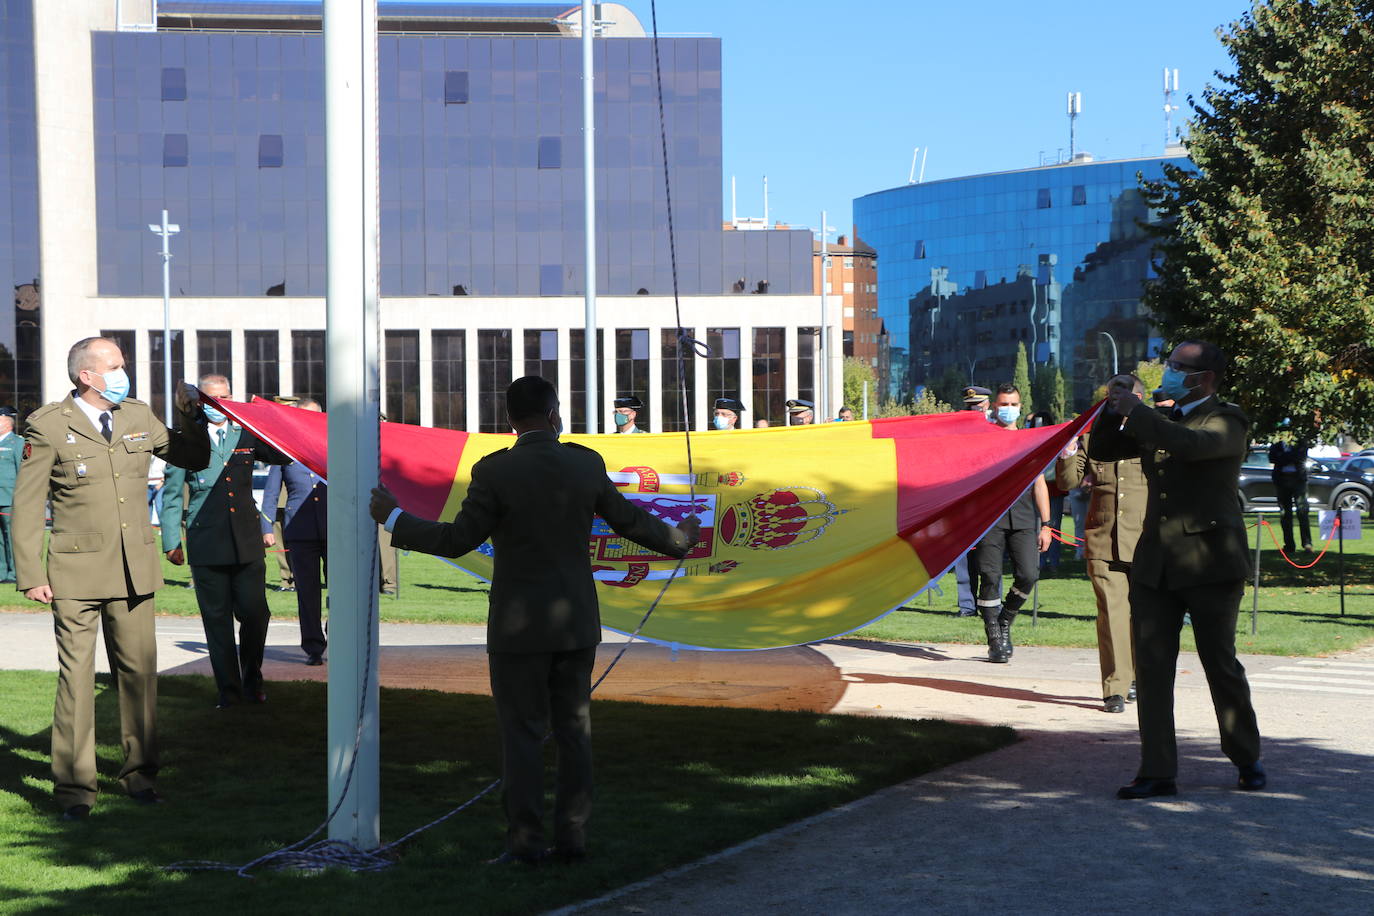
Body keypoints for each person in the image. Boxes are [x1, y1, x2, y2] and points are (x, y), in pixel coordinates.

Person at [370, 376, 699, 865]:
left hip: (518, 626)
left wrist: (394, 518)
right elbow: (630, 521)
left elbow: (458, 539)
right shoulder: (585, 462)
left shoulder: (495, 470)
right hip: (575, 623)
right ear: (553, 414)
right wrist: (679, 539)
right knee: (574, 732)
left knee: (522, 735)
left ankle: (524, 843)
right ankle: (573, 838)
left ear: (509, 420)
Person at [13, 336, 210, 820]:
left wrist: (191, 415)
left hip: (134, 570)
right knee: (76, 682)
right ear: (88, 375)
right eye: (116, 366)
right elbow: (26, 505)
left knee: (140, 676)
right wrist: (31, 573)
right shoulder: (48, 426)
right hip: (75, 573)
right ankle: (75, 791)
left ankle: (140, 776)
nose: (125, 373)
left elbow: (193, 457)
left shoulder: (138, 416)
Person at [1090, 340, 1265, 799]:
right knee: (1151, 667)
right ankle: (1157, 770)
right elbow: (1106, 448)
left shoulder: (1227, 419)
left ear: (1203, 377)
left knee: (1219, 664)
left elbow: (1190, 446)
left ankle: (1246, 756)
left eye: (1175, 367)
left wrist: (1139, 410)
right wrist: (1115, 405)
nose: (1167, 373)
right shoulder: (1163, 417)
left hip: (1210, 563)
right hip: (1157, 565)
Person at [160, 375, 289, 708]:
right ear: (202, 400)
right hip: (207, 542)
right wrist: (172, 540)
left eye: (226, 396)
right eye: (212, 397)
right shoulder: (187, 437)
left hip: (246, 541)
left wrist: (276, 417)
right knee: (216, 623)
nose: (220, 403)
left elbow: (282, 453)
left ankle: (252, 678)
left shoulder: (245, 431)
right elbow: (173, 494)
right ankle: (229, 693)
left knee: (256, 613)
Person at [1058, 374, 1147, 713]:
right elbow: (1067, 481)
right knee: (1112, 615)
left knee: (1144, 615)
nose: (1115, 399)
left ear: (1139, 398)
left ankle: (1140, 676)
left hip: (1145, 541)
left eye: (1122, 394)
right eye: (1111, 394)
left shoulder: (1153, 435)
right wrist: (1068, 446)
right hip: (1103, 540)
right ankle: (1115, 688)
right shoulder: (1093, 438)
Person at [969, 382, 1052, 662]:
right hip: (990, 519)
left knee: (1028, 574)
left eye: (1013, 404)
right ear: (994, 407)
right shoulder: (983, 438)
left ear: (1020, 407)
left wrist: (1047, 525)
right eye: (1003, 404)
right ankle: (994, 634)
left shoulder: (1030, 440)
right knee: (989, 576)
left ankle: (1005, 619)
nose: (1008, 409)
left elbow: (1039, 483)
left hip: (1024, 518)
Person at [261, 398, 328, 665]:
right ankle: (313, 647)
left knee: (341, 591)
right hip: (300, 531)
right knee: (307, 592)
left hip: (334, 529)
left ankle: (340, 636)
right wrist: (266, 526)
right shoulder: (284, 447)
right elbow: (271, 491)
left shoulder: (334, 444)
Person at [953, 386, 993, 617]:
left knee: (989, 555)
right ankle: (967, 606)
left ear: (986, 405)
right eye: (969, 406)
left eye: (976, 406)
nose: (972, 410)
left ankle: (989, 601)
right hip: (963, 500)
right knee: (963, 557)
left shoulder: (995, 429)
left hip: (987, 501)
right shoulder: (958, 431)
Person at [1269, 435, 1312, 554]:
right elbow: (1272, 458)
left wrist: (1282, 457)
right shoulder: (1277, 443)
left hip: (1298, 480)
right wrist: (1289, 457)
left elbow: (1300, 457)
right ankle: (1289, 545)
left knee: (1302, 511)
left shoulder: (1300, 441)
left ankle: (1307, 543)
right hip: (1281, 480)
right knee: (1285, 514)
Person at [0, 406, 25, 583]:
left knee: (11, 537)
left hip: (9, 498)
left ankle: (14, 573)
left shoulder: (17, 443)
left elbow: (22, 472)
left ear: (8, 423)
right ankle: (1, 573)